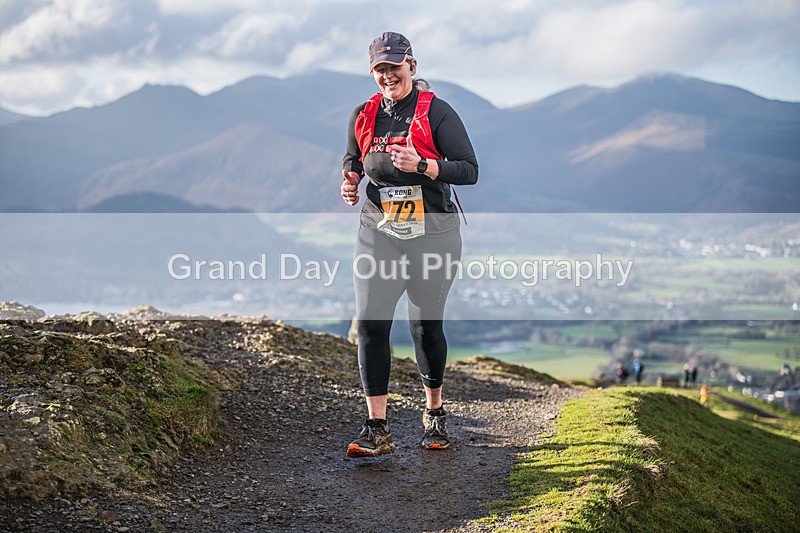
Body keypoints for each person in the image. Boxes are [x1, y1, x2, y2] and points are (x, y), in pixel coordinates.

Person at [340, 31, 479, 457]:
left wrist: (424, 165)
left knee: (424, 326)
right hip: (378, 230)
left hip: (432, 234)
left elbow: (469, 170)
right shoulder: (363, 115)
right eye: (379, 70)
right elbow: (353, 160)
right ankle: (376, 428)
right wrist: (349, 181)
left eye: (394, 68)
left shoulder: (437, 112)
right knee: (370, 324)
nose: (387, 76)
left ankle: (434, 413)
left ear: (412, 67)